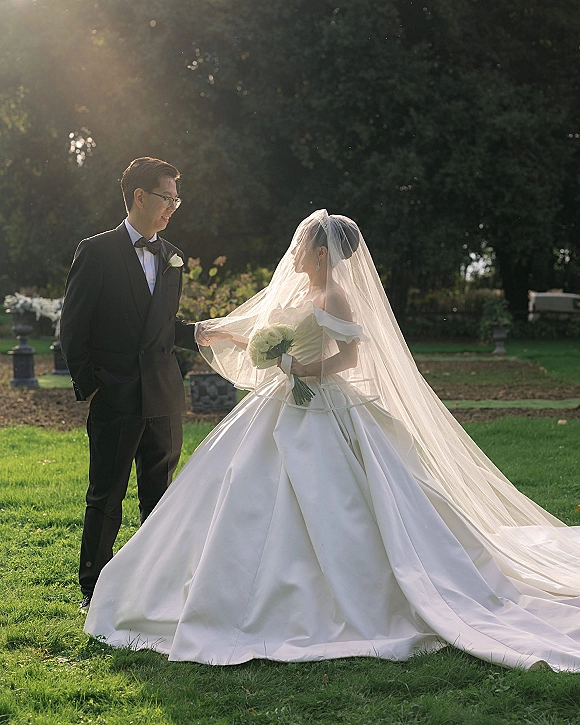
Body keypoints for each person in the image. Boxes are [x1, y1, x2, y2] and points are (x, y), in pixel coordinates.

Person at [85, 209, 580, 670]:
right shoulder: (300, 296)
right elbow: (266, 331)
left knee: (337, 498)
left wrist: (302, 368)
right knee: (238, 478)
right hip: (283, 399)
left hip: (322, 403)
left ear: (322, 253)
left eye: (302, 245)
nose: (294, 253)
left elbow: (348, 359)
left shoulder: (334, 297)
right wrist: (225, 335)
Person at [60, 157, 199, 613]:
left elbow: (161, 326)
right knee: (107, 493)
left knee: (160, 496)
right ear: (140, 196)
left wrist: (201, 332)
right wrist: (91, 388)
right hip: (115, 395)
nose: (172, 208)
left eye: (177, 200)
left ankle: (155, 583)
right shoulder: (96, 251)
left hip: (162, 395)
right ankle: (93, 588)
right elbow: (73, 329)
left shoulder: (173, 255)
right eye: (166, 198)